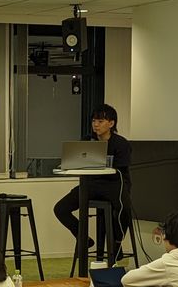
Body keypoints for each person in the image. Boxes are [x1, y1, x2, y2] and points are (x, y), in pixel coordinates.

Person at [53, 103, 132, 262]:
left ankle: (116, 243)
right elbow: (79, 161)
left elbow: (120, 169)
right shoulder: (87, 140)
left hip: (114, 185)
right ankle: (83, 237)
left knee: (123, 209)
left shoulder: (121, 143)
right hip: (91, 185)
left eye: (100, 121)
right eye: (94, 121)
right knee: (60, 208)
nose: (96, 125)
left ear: (111, 123)